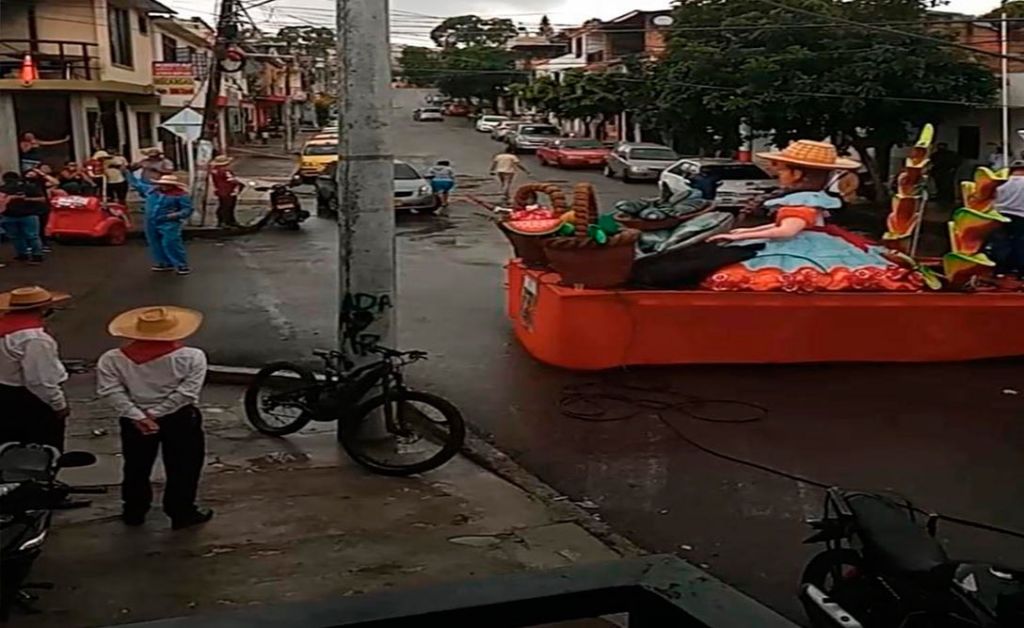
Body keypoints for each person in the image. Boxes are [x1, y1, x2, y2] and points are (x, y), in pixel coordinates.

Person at [704, 140, 922, 292]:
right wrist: (746, 231)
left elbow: (787, 231)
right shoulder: (813, 198)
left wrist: (738, 237)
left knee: (786, 276)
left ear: (797, 174)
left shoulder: (800, 201)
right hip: (819, 241)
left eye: (781, 171)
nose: (777, 174)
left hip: (800, 246)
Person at [96, 306, 212, 530]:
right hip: (180, 418)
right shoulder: (192, 357)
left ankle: (134, 510)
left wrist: (138, 416)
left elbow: (110, 391)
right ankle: (181, 512)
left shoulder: (112, 359)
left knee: (136, 465)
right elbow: (187, 393)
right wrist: (156, 414)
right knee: (183, 467)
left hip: (134, 421)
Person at [0, 286, 71, 449]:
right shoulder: (34, 339)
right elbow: (40, 380)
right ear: (43, 309)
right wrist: (59, 404)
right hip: (29, 402)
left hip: (4, 394)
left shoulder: (5, 331)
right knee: (41, 452)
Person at [126, 169, 194, 275]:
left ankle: (181, 264)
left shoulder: (180, 195)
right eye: (163, 184)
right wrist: (126, 172)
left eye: (167, 184)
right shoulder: (152, 191)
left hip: (168, 221)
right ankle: (164, 262)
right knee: (154, 242)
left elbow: (187, 209)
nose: (164, 186)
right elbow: (136, 184)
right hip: (150, 220)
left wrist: (173, 215)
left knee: (170, 242)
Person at [1, 170, 47, 264]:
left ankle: (24, 254)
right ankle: (34, 255)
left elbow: (42, 199)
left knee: (19, 237)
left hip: (12, 215)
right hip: (27, 214)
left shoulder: (3, 189)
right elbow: (42, 199)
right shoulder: (29, 187)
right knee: (31, 236)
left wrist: (24, 199)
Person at [991, 160, 1024, 279]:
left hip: (1001, 215)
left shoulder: (1001, 184)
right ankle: (1020, 271)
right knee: (1020, 242)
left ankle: (1000, 270)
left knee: (1001, 243)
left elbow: (993, 200)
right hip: (1021, 215)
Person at [208, 156, 243, 227]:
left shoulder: (214, 171)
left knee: (222, 205)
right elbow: (231, 180)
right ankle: (228, 221)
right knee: (228, 206)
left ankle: (222, 221)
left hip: (220, 190)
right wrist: (240, 184)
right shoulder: (225, 171)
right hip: (228, 191)